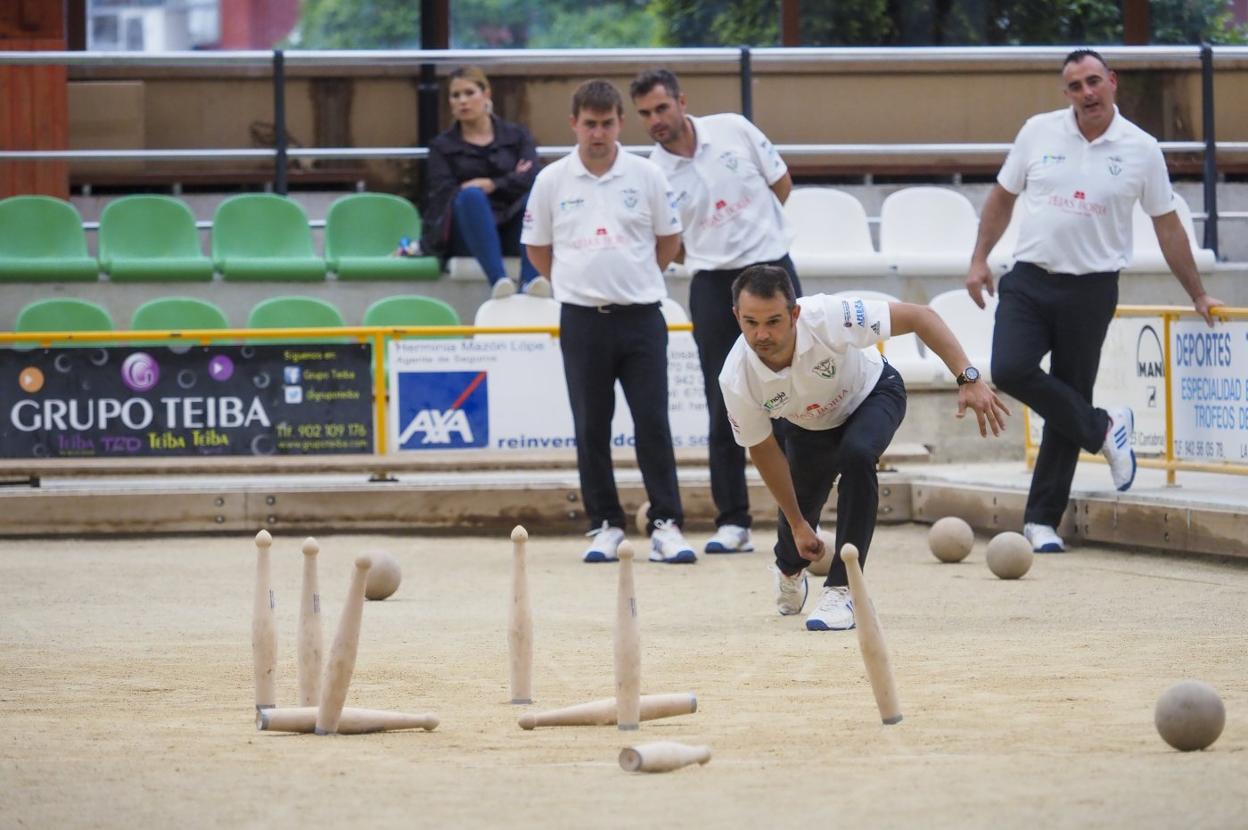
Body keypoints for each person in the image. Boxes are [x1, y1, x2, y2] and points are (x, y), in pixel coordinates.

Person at [965, 48, 1224, 554]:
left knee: (1069, 390)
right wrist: (979, 259)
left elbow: (1167, 224)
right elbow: (1002, 197)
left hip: (1092, 288)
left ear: (1112, 82)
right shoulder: (1037, 131)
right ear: (1067, 94)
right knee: (1010, 368)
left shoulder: (1142, 148)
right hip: (1029, 279)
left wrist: (1196, 292)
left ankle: (1041, 521)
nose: (1086, 94)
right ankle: (1105, 426)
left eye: (1093, 82)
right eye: (1075, 86)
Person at [720, 265, 1011, 630]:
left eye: (774, 321)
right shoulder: (736, 378)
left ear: (795, 313)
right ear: (737, 316)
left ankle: (844, 589)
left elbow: (921, 317)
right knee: (799, 518)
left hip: (872, 392)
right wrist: (797, 523)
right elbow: (763, 450)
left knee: (857, 455)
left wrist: (968, 377)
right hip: (807, 425)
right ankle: (788, 569)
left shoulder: (828, 316)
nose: (762, 334)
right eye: (750, 323)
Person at [522, 79, 697, 565]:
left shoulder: (647, 175)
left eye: (607, 123)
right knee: (591, 427)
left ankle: (666, 524)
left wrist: (633, 278)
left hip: (642, 317)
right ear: (574, 124)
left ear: (621, 123)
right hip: (582, 321)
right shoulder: (551, 180)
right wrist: (577, 284)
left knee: (653, 423)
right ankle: (605, 524)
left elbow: (668, 242)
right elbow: (538, 249)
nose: (597, 133)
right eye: (589, 124)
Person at [630, 68, 801, 556]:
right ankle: (734, 520)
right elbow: (670, 243)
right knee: (724, 398)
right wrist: (713, 254)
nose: (655, 120)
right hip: (711, 284)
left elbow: (781, 183)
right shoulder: (650, 172)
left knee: (796, 389)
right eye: (644, 114)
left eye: (662, 108)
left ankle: (801, 514)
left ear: (682, 101)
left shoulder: (735, 128)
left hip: (773, 269)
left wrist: (757, 240)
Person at [422, 66, 548, 299]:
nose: (462, 101)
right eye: (455, 95)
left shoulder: (517, 135)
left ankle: (531, 280)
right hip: (468, 233)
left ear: (486, 94)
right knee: (470, 197)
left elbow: (532, 178)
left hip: (512, 228)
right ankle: (499, 282)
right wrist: (511, 179)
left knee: (535, 196)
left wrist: (492, 184)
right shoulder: (442, 146)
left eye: (469, 93)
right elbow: (445, 192)